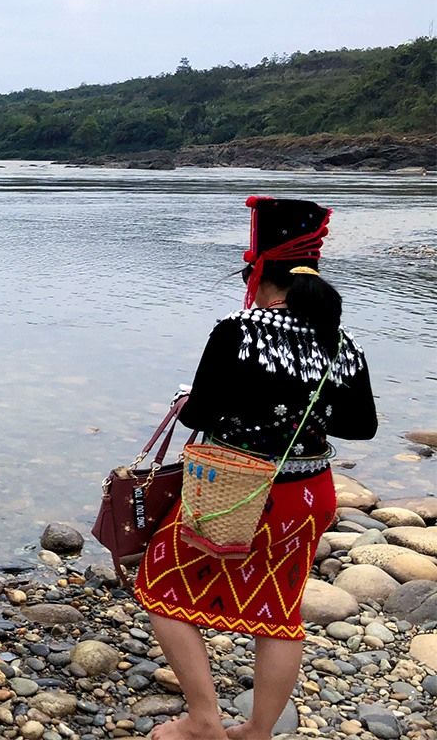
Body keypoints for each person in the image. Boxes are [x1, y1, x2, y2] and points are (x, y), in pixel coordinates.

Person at [134, 197, 377, 740]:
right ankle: (257, 731)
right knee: (282, 610)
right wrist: (301, 409)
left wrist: (234, 403)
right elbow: (362, 428)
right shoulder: (342, 339)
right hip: (310, 494)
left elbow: (199, 414)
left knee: (161, 586)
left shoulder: (239, 330)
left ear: (258, 273)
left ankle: (203, 720)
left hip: (238, 491)